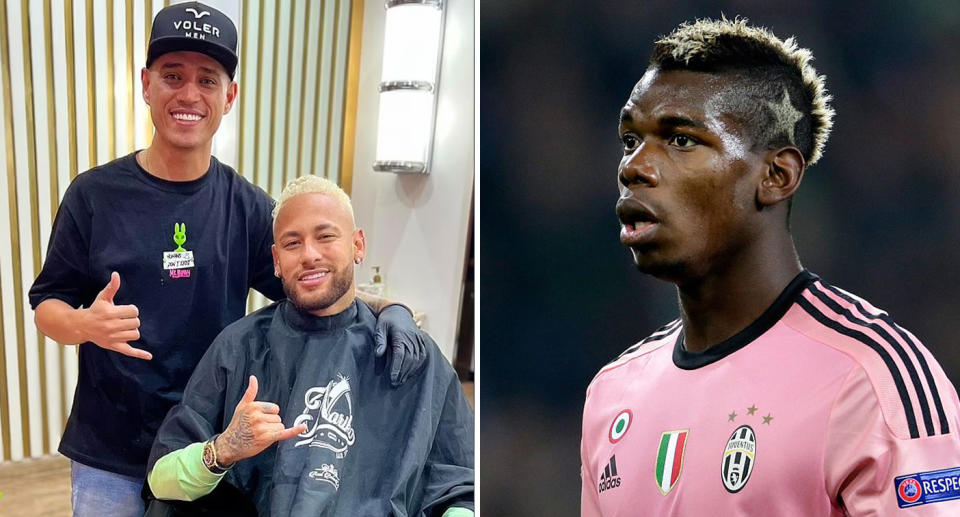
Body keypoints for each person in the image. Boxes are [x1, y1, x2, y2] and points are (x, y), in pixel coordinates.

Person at [28, 3, 425, 515]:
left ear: (229, 96)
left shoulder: (249, 207)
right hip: (111, 450)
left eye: (208, 80)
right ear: (146, 85)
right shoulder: (93, 195)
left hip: (206, 445)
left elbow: (313, 285)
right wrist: (86, 324)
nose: (189, 94)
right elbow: (46, 308)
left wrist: (388, 307)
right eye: (173, 76)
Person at [580, 17, 960, 516]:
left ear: (777, 176)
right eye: (631, 139)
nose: (634, 167)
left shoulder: (871, 378)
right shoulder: (612, 392)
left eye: (681, 140)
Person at [144, 175, 474, 516]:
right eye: (292, 243)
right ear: (275, 260)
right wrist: (223, 448)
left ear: (357, 245)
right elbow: (160, 480)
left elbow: (463, 492)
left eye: (325, 236)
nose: (309, 255)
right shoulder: (239, 348)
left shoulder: (407, 353)